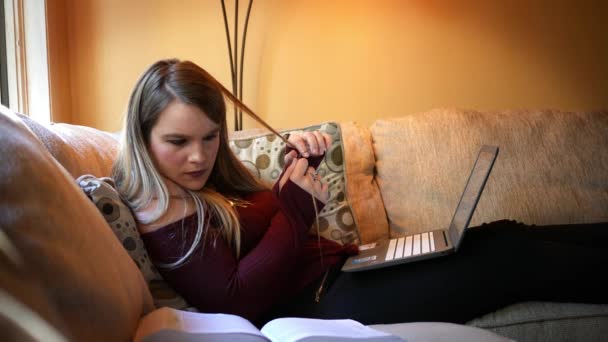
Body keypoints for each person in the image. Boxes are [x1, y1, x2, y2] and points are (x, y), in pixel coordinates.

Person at [112, 58, 608, 327]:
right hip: (323, 304)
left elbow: (264, 225)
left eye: (209, 137)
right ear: (143, 135)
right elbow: (238, 299)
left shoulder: (203, 181)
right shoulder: (161, 207)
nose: (198, 157)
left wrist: (292, 172)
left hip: (342, 273)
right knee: (508, 261)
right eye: (177, 142)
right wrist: (297, 208)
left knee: (503, 236)